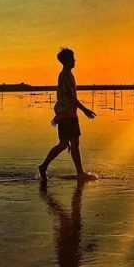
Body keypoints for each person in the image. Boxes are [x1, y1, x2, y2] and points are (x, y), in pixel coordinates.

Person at [39, 47, 95, 181]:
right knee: (71, 144)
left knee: (65, 144)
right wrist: (85, 110)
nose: (75, 60)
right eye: (72, 58)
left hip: (66, 115)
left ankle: (44, 166)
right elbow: (71, 97)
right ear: (67, 61)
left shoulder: (66, 74)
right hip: (68, 115)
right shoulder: (65, 75)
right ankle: (80, 173)